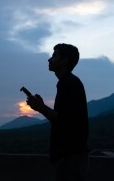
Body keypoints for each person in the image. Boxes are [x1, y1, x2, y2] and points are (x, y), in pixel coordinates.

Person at [26, 43, 89, 181]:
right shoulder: (67, 83)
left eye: (54, 56)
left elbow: (65, 121)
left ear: (65, 60)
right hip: (69, 157)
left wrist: (41, 107)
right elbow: (60, 120)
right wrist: (41, 107)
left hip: (70, 158)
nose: (49, 60)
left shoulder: (71, 84)